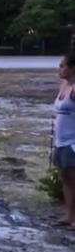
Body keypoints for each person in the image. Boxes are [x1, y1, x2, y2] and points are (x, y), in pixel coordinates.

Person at [53, 52, 75, 226]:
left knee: (73, 178)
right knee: (65, 177)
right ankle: (69, 215)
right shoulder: (63, 86)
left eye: (62, 66)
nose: (59, 69)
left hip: (73, 141)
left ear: (72, 68)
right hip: (60, 140)